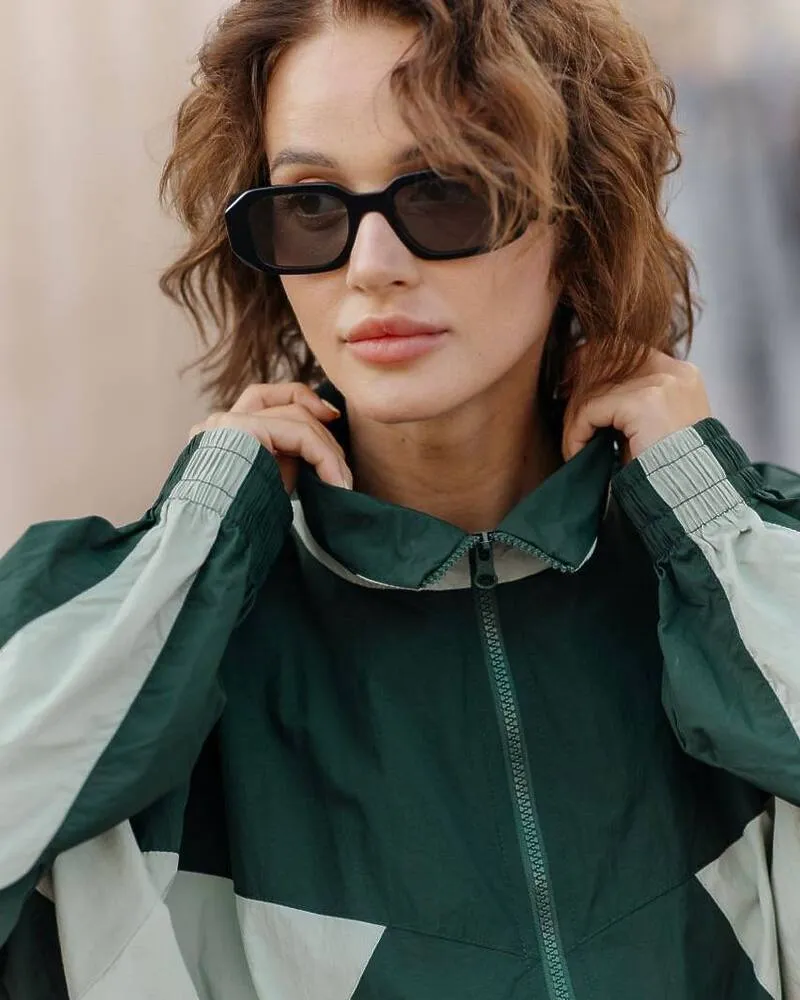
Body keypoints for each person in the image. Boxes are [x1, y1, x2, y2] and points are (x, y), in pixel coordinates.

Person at [1, 1, 799, 998]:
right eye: (310, 205)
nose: (371, 268)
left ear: (575, 219)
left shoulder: (737, 581)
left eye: (445, 192)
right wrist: (189, 548)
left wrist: (715, 524)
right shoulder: (155, 642)